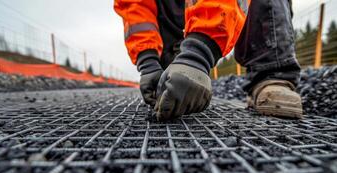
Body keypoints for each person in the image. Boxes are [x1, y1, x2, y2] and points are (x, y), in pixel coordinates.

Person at [114, 0, 303, 121]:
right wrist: (147, 60)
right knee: (173, 87)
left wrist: (198, 54)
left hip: (220, 11)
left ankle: (270, 74)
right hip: (179, 20)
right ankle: (174, 72)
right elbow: (134, 7)